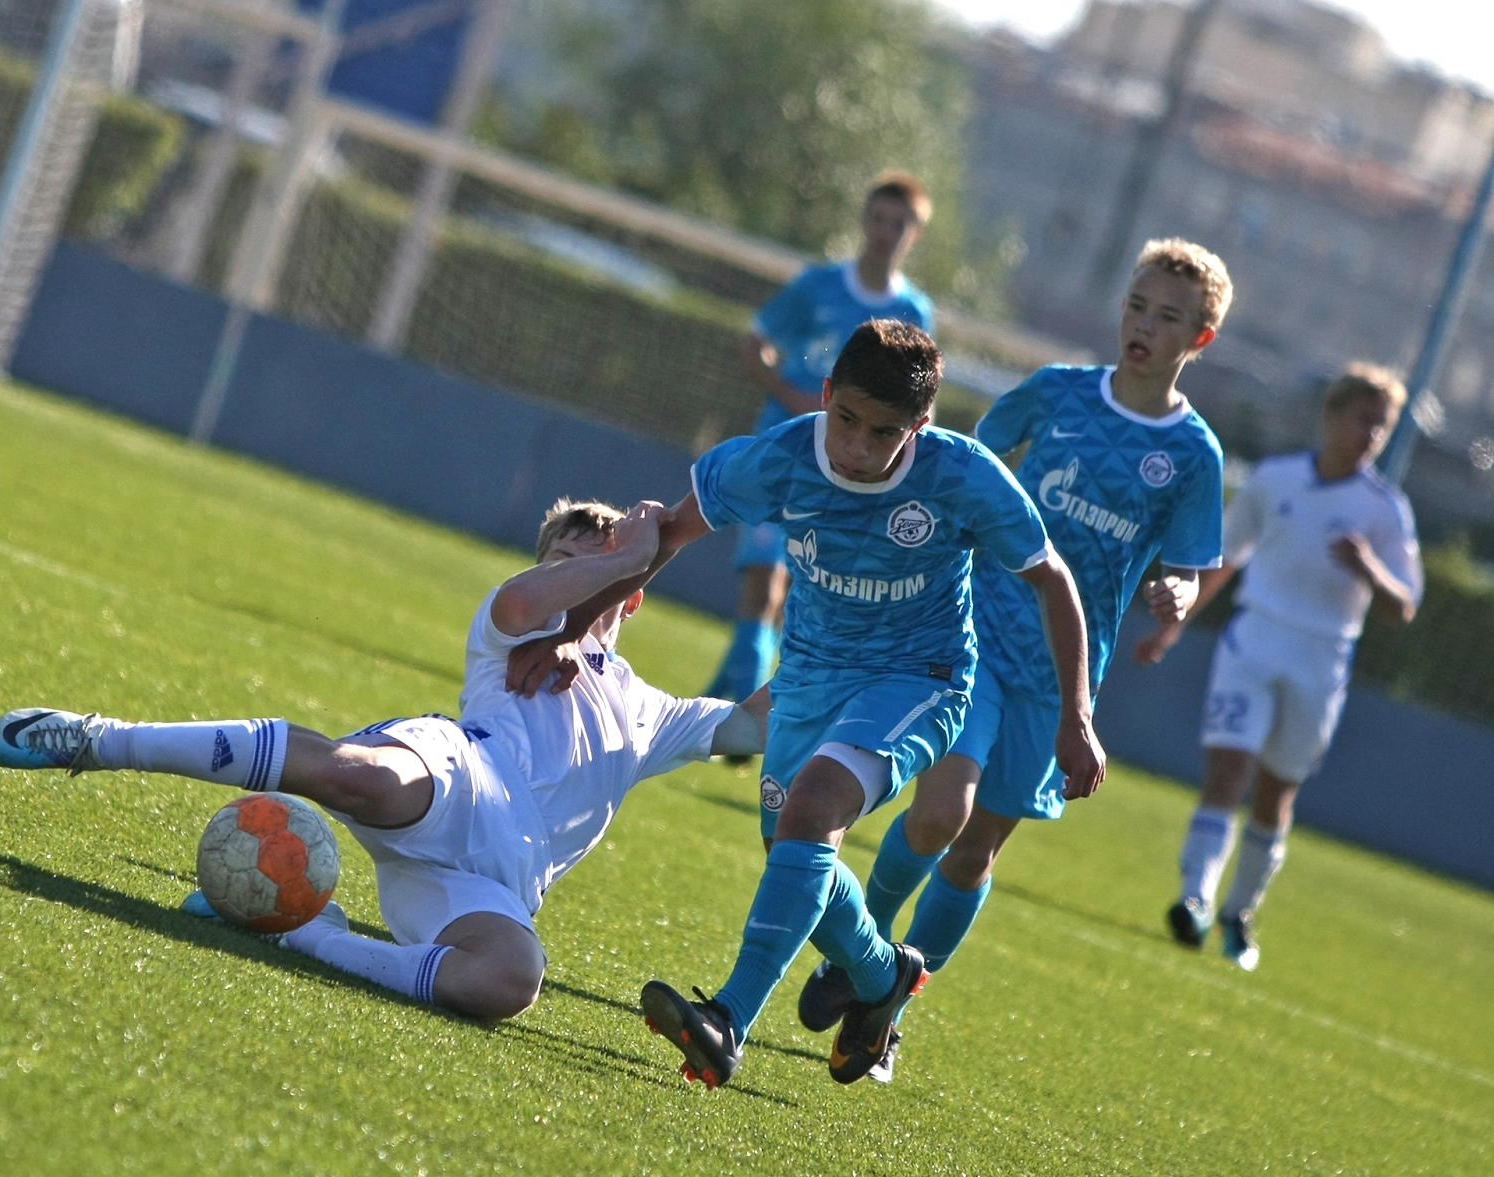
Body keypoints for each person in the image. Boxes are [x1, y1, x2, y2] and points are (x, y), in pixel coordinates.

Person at [511, 320, 1104, 1087]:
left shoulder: (962, 476)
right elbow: (670, 533)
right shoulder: (783, 457)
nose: (858, 446)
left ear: (920, 426)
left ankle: (728, 1019)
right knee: (794, 846)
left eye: (884, 432)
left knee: (814, 805)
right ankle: (881, 971)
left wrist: (1077, 715)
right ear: (826, 396)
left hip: (918, 677)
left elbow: (1052, 579)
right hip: (810, 678)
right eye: (847, 420)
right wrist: (579, 628)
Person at [0, 499, 768, 1022]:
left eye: (589, 564)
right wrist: (619, 556)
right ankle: (99, 739)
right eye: (559, 560)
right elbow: (527, 601)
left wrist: (850, 652)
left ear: (631, 599)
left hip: (494, 881)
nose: (569, 576)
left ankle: (308, 933)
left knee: (511, 981)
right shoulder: (517, 633)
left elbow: (750, 729)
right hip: (464, 772)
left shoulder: (651, 707)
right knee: (357, 775)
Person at [797, 239, 1233, 1080]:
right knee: (937, 815)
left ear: (1201, 338)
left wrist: (1177, 595)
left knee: (973, 852)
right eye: (1137, 305)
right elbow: (957, 464)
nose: (1145, 325)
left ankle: (887, 1011)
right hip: (978, 631)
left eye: (1168, 316)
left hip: (1061, 668)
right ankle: (856, 957)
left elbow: (1187, 562)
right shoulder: (1058, 392)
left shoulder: (1193, 455)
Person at [1138, 363, 1421, 970]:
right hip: (1255, 640)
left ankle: (1239, 913)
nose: (1371, 432)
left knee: (1275, 794)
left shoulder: (1385, 510)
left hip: (1322, 657)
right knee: (1227, 769)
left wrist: (1370, 568)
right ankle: (1194, 899)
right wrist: (1173, 626)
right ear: (1332, 416)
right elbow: (1225, 558)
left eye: (1382, 424)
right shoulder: (1275, 479)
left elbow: (1405, 605)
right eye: (1362, 418)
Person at [705, 172, 937, 703]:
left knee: (804, 597)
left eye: (899, 224)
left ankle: (730, 702)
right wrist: (793, 396)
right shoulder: (817, 287)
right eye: (878, 218)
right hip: (787, 451)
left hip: (851, 468)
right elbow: (753, 345)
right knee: (763, 581)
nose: (885, 232)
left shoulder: (914, 314)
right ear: (864, 220)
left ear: (915, 234)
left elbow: (917, 401)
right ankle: (748, 709)